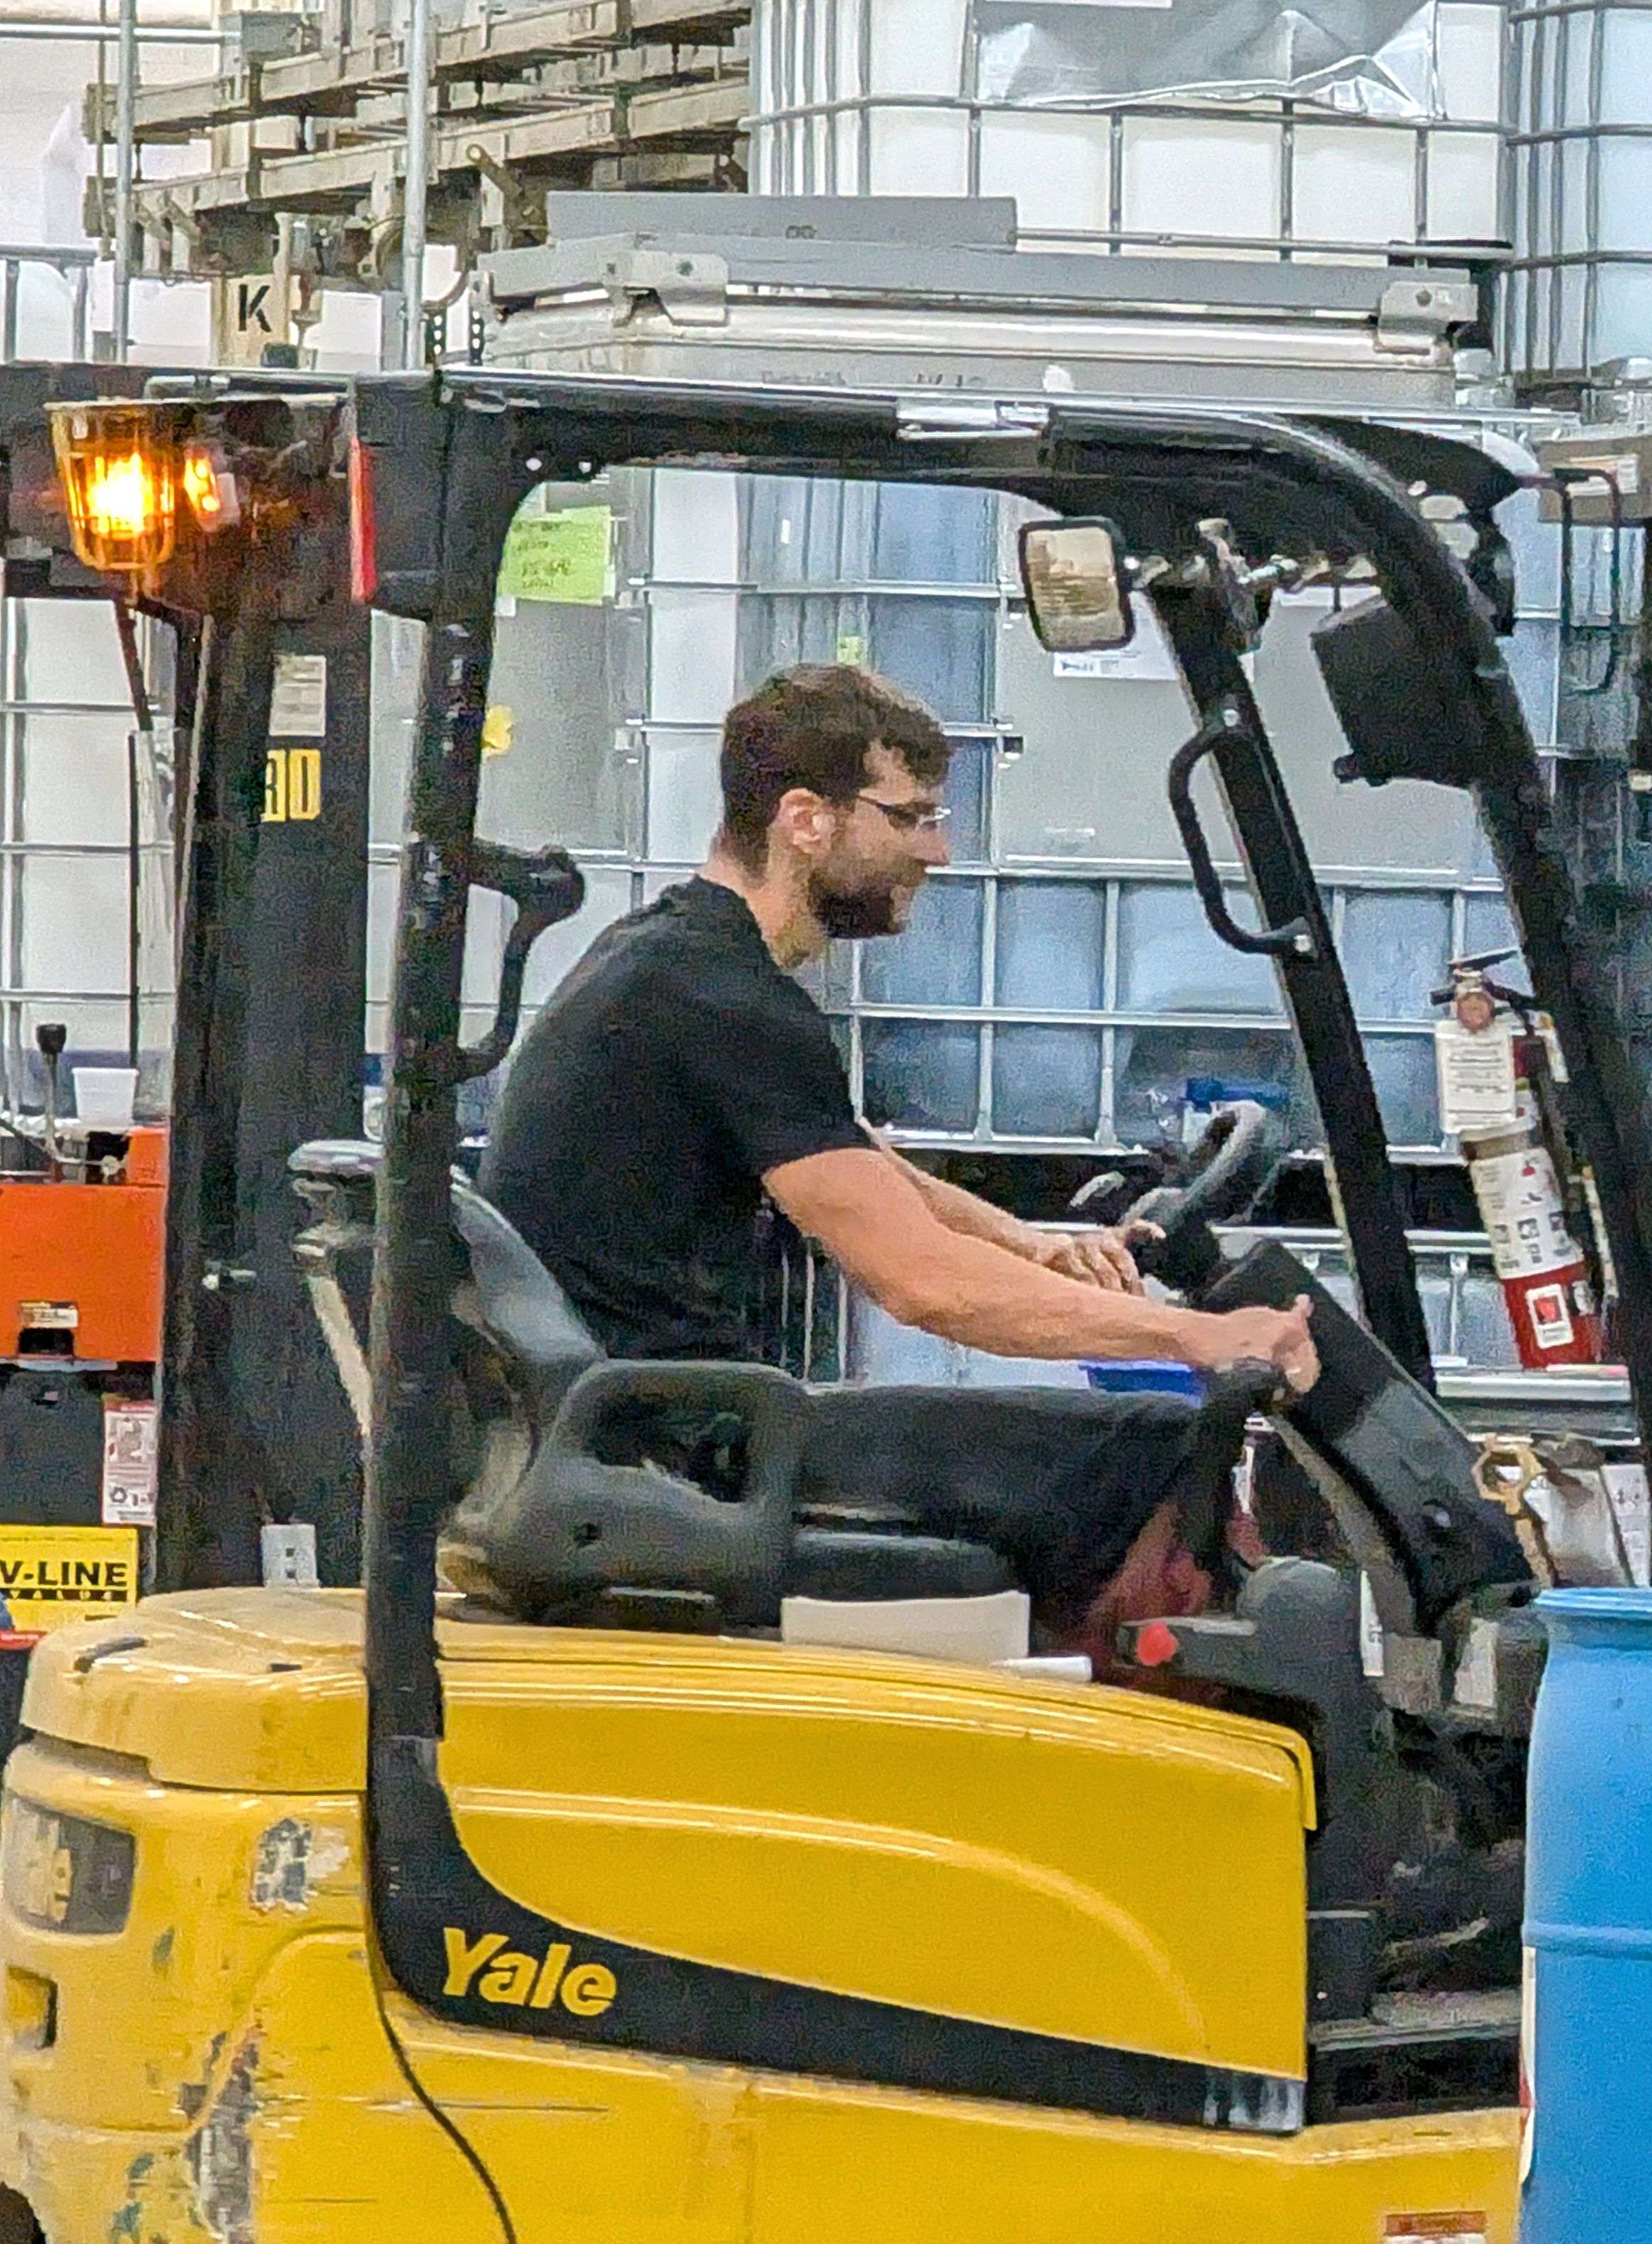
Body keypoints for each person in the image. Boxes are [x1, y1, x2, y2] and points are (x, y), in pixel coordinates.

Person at [479, 663, 1312, 1643]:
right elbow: (922, 1287)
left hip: (641, 1430)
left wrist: (1028, 1243)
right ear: (806, 820)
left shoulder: (664, 958)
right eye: (910, 818)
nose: (941, 849)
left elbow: (855, 1157)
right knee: (1157, 1449)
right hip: (685, 1448)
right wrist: (1203, 1340)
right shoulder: (729, 1002)